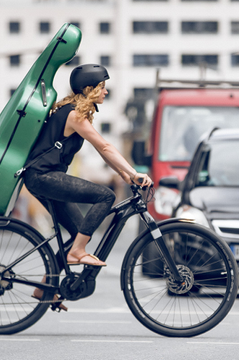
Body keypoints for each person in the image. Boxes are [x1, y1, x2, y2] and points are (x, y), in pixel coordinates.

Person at [25, 64, 152, 309]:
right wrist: (135, 172)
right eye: (102, 87)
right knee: (105, 196)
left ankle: (44, 288)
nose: (106, 92)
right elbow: (104, 146)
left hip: (42, 177)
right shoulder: (74, 115)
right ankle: (77, 253)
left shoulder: (72, 111)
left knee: (76, 232)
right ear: (88, 89)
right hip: (43, 176)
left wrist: (124, 173)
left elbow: (102, 151)